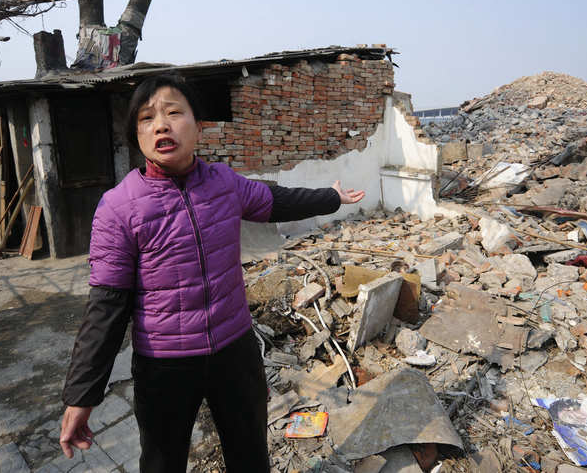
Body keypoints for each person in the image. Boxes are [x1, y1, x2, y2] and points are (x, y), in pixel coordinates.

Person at [58, 73, 364, 472]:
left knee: (249, 451)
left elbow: (276, 200)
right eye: (147, 118)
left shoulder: (223, 183)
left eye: (173, 113)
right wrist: (82, 394)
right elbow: (106, 306)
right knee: (162, 461)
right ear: (137, 135)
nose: (161, 125)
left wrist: (330, 197)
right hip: (164, 364)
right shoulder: (119, 207)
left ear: (199, 127)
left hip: (234, 348)